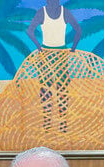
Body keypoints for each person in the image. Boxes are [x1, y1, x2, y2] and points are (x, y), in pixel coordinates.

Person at [26, 0, 81, 133]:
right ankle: (48, 123)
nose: (53, 1)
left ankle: (60, 123)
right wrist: (39, 47)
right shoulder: (43, 12)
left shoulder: (64, 12)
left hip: (58, 54)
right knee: (46, 89)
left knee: (61, 89)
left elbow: (78, 30)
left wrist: (73, 48)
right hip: (48, 55)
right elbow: (29, 31)